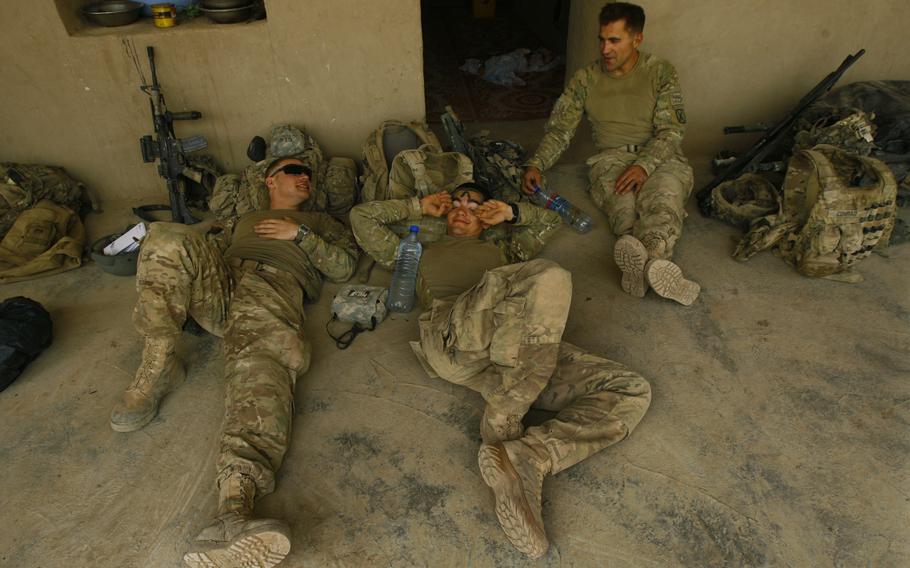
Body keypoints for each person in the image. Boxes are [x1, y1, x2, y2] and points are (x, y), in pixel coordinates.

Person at [350, 183, 652, 558]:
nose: (462, 208)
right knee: (551, 276)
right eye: (455, 203)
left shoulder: (504, 250)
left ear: (486, 218)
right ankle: (505, 414)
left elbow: (549, 221)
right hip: (459, 339)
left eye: (473, 205)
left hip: (518, 357)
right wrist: (418, 206)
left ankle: (531, 456)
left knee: (630, 389)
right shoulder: (418, 248)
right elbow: (361, 218)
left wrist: (512, 213)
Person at [109, 157, 359, 568]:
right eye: (295, 170)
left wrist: (301, 235)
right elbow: (193, 254)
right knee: (167, 237)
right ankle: (159, 367)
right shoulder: (243, 218)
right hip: (223, 285)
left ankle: (234, 505)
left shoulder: (320, 221)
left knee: (261, 367)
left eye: (309, 176)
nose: (305, 178)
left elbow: (345, 266)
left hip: (273, 287)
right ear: (270, 180)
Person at [522, 1, 700, 306]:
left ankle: (652, 260)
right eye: (602, 39)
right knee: (624, 212)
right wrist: (536, 164)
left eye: (615, 40)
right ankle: (651, 266)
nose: (605, 49)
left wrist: (644, 165)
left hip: (661, 156)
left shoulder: (660, 72)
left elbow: (671, 131)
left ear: (637, 39)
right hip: (610, 160)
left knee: (662, 201)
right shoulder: (585, 79)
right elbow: (560, 130)